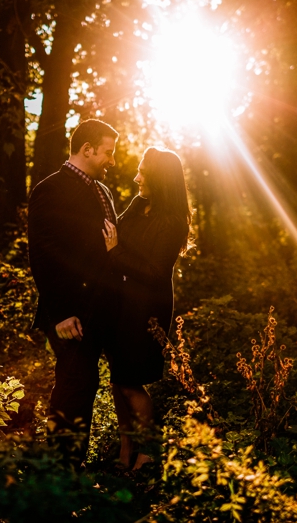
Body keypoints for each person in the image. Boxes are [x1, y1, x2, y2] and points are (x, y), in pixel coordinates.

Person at [27, 119, 122, 466]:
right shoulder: (50, 189)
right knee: (74, 387)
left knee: (86, 386)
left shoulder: (103, 190)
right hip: (69, 314)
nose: (112, 160)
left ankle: (69, 471)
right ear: (87, 149)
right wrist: (62, 311)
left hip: (98, 310)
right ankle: (59, 473)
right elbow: (43, 254)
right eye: (108, 152)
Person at [102, 147, 191, 470]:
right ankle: (127, 452)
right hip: (122, 301)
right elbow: (118, 234)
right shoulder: (140, 205)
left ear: (161, 179)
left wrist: (114, 254)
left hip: (146, 308)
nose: (137, 177)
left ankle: (150, 451)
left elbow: (155, 271)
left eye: (143, 172)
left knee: (130, 380)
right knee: (117, 379)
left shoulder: (173, 222)